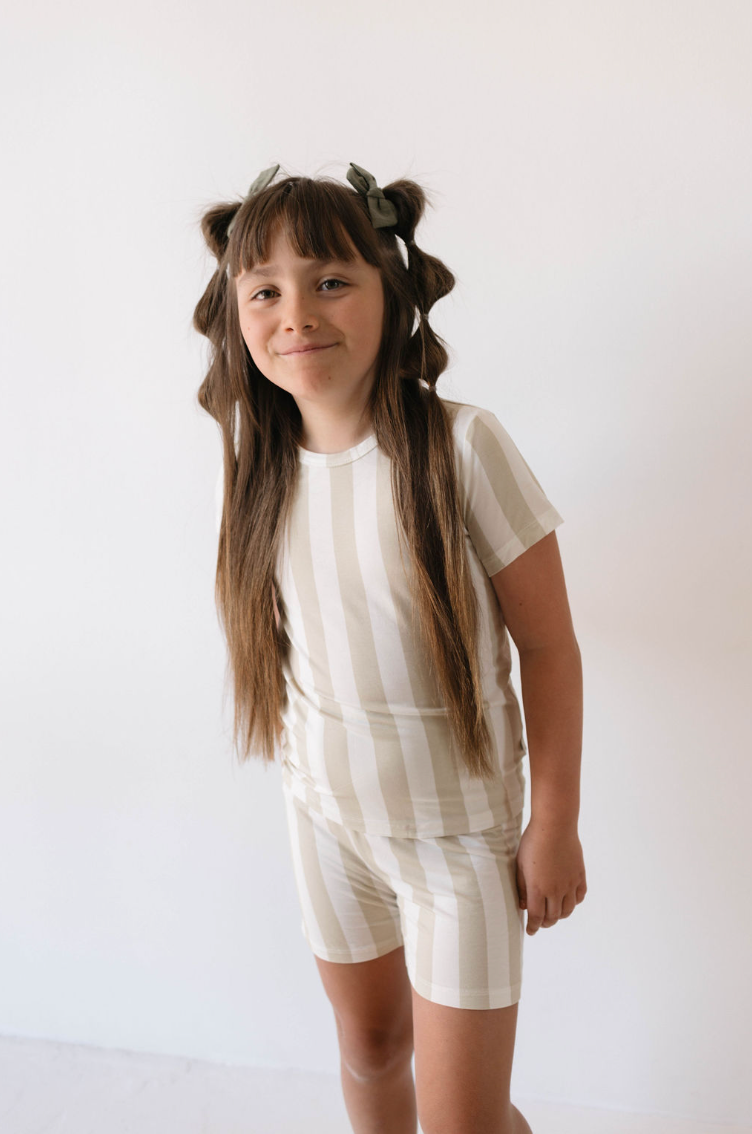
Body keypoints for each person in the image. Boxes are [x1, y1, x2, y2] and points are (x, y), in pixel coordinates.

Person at [193, 161, 586, 1134]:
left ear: (389, 293)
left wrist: (552, 823)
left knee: (466, 1120)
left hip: (457, 843)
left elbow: (548, 646)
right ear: (236, 313)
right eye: (265, 291)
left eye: (330, 281)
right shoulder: (257, 470)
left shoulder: (460, 448)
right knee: (369, 1053)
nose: (296, 313)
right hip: (326, 820)